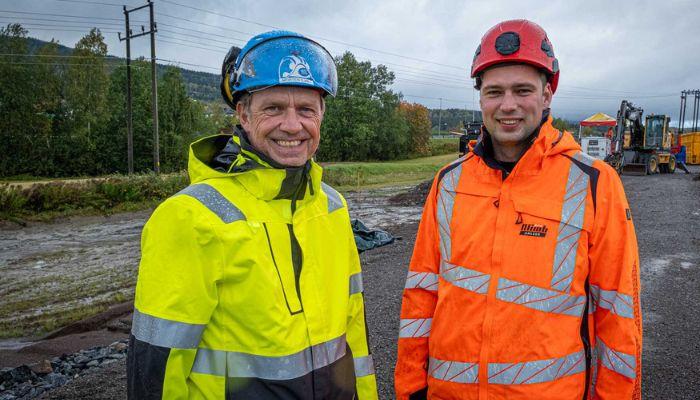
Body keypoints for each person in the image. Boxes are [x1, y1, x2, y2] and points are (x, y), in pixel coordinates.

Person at [395, 19, 641, 399]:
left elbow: (617, 316)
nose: (507, 105)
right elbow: (421, 295)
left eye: (522, 90)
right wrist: (410, 387)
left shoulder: (595, 184)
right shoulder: (449, 182)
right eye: (494, 92)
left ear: (547, 95)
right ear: (480, 99)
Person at [127, 31, 378, 399]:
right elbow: (157, 368)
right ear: (243, 114)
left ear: (322, 115)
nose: (292, 125)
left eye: (306, 109)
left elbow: (354, 331)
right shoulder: (190, 217)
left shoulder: (332, 207)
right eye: (274, 107)